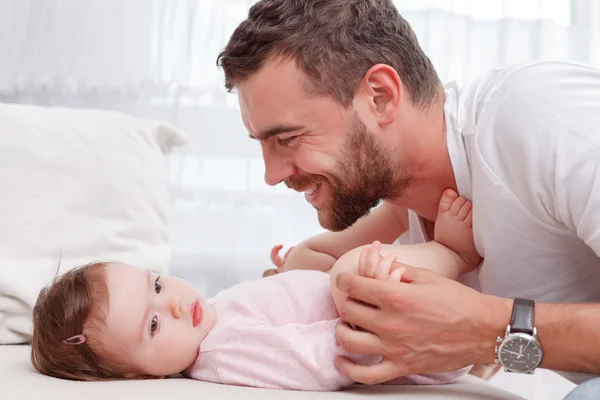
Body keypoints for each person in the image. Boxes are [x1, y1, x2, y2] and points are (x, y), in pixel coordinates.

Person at [216, 0, 600, 393]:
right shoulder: (407, 211)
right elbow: (324, 262)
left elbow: (483, 329)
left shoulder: (539, 118)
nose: (271, 175)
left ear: (380, 97)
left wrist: (486, 329)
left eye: (288, 138)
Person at [31, 191, 477, 390]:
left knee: (306, 258)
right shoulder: (223, 354)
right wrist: (363, 312)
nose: (174, 304)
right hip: (402, 337)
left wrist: (287, 281)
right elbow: (313, 361)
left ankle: (403, 234)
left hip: (392, 320)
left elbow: (277, 315)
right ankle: (453, 253)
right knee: (347, 273)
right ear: (140, 375)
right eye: (152, 325)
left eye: (157, 284)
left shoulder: (207, 327)